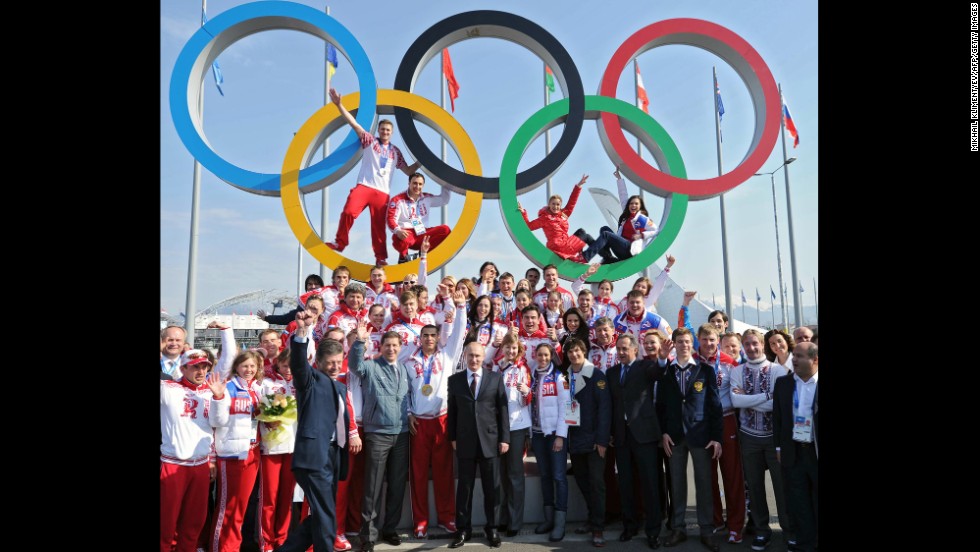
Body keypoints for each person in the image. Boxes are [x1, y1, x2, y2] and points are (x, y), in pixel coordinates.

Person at [276, 309, 354, 552]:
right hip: (312, 457)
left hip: (332, 457)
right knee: (327, 516)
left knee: (321, 515)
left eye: (337, 362)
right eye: (328, 363)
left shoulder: (341, 389)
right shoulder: (310, 381)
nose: (333, 367)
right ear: (318, 363)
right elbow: (298, 364)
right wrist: (301, 332)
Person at [325, 87, 421, 265]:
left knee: (378, 227)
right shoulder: (369, 140)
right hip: (365, 186)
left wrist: (422, 161)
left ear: (391, 133)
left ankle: (381, 258)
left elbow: (408, 171)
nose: (385, 132)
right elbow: (353, 123)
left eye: (388, 130)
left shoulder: (395, 152)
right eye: (382, 129)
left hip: (382, 193)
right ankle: (340, 242)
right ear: (378, 130)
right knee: (348, 212)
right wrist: (339, 105)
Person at [403, 290, 468, 539]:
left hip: (442, 419)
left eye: (433, 335)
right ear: (420, 339)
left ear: (438, 337)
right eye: (426, 336)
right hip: (419, 422)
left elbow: (460, 332)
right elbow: (405, 392)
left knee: (444, 473)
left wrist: (460, 306)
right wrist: (409, 412)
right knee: (418, 474)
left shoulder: (447, 354)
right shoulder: (409, 361)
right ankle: (420, 521)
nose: (430, 339)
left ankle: (447, 518)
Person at [348, 320, 413, 552]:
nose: (392, 349)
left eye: (395, 345)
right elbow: (355, 366)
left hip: (402, 434)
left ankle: (390, 529)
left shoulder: (405, 369)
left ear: (400, 346)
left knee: (396, 485)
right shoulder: (371, 366)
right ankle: (368, 536)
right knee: (372, 487)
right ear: (381, 346)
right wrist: (360, 342)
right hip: (377, 434)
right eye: (388, 345)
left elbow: (409, 398)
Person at [659, 327, 723, 552]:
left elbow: (715, 406)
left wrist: (717, 437)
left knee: (704, 484)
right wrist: (663, 433)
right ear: (674, 344)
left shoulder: (706, 371)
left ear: (692, 344)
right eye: (680, 341)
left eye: (687, 341)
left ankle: (707, 529)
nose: (684, 345)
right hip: (674, 436)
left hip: (701, 435)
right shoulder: (666, 371)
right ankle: (678, 528)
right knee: (676, 484)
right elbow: (662, 406)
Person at [160, 351, 230, 552]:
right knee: (166, 523)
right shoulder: (168, 388)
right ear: (183, 368)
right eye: (195, 367)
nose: (201, 371)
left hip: (200, 465)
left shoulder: (212, 391)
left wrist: (218, 397)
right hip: (173, 464)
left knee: (193, 523)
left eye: (204, 366)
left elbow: (219, 422)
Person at [730, 329, 791, 551]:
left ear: (762, 345)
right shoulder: (737, 371)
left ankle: (789, 530)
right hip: (749, 438)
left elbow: (777, 405)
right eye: (746, 344)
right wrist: (766, 396)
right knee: (754, 487)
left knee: (781, 487)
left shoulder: (777, 370)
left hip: (773, 437)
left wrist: (749, 399)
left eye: (754, 343)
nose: (751, 347)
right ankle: (762, 531)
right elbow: (735, 401)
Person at [447, 341, 511, 549]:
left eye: (477, 356)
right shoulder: (455, 380)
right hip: (464, 442)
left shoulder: (495, 378)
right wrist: (453, 437)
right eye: (471, 355)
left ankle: (492, 528)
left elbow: (502, 411)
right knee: (464, 489)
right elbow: (452, 411)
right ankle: (462, 530)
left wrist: (505, 438)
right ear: (465, 356)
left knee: (492, 488)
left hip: (490, 442)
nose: (474, 359)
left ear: (484, 357)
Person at [607, 333, 667, 549]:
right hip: (622, 437)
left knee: (650, 483)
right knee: (626, 484)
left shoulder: (645, 367)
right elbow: (611, 406)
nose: (621, 352)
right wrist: (611, 432)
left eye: (625, 349)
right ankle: (630, 526)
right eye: (618, 349)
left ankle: (653, 531)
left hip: (644, 435)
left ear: (634, 349)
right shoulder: (612, 373)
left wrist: (662, 358)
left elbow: (660, 371)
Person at [693, 324, 745, 545]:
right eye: (704, 339)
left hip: (726, 420)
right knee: (708, 477)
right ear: (699, 340)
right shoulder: (692, 361)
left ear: (718, 340)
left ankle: (735, 525)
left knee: (732, 475)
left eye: (712, 339)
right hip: (701, 424)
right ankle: (715, 520)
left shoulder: (729, 362)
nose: (708, 344)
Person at [563, 338, 612, 548]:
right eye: (570, 352)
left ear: (584, 352)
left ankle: (598, 527)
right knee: (582, 482)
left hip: (593, 440)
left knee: (596, 484)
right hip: (575, 439)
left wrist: (602, 440)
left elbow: (605, 409)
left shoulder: (597, 375)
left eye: (577, 351)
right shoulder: (564, 376)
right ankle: (592, 519)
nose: (574, 355)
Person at [772, 342, 818, 552]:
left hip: (815, 452)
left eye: (799, 356)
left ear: (815, 360)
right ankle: (805, 543)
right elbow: (778, 418)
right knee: (798, 500)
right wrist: (779, 448)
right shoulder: (783, 383)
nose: (794, 360)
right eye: (794, 356)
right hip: (793, 451)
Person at [491, 333, 532, 538]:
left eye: (514, 348)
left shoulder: (524, 369)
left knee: (515, 475)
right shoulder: (496, 368)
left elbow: (529, 399)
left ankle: (515, 522)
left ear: (519, 350)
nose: (510, 351)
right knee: (500, 475)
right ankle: (502, 519)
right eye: (507, 347)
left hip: (517, 427)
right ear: (503, 349)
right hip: (498, 428)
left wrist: (526, 392)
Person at [529, 343, 571, 542]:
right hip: (537, 435)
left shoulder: (559, 377)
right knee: (545, 476)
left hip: (555, 435)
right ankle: (548, 519)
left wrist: (561, 436)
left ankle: (560, 523)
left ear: (551, 355)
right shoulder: (531, 376)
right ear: (535, 356)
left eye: (546, 355)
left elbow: (568, 407)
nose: (543, 358)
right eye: (540, 355)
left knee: (559, 477)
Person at [519, 175, 613, 264]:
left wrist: (578, 186)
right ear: (549, 205)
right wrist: (523, 212)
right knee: (586, 236)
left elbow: (571, 202)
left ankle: (604, 256)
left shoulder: (563, 214)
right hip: (559, 246)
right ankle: (597, 257)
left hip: (565, 243)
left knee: (581, 232)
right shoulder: (545, 218)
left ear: (560, 206)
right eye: (553, 204)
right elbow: (529, 226)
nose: (555, 206)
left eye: (558, 204)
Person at [258, 348, 298, 552]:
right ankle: (266, 541)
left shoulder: (302, 383)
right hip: (272, 448)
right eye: (285, 366)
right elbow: (263, 413)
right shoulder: (268, 383)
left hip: (294, 449)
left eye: (292, 366)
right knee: (270, 498)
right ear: (278, 364)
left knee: (286, 498)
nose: (289, 370)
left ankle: (282, 539)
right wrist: (269, 418)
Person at [595, 167, 660, 263]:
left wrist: (642, 235)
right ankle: (608, 257)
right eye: (631, 204)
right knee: (604, 229)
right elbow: (623, 196)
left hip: (630, 250)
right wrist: (619, 179)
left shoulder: (642, 219)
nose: (633, 206)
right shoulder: (627, 216)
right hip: (622, 249)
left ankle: (598, 256)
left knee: (606, 234)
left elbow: (655, 230)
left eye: (636, 204)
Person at [386, 172, 451, 264]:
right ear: (409, 183)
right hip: (407, 234)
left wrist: (447, 184)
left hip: (423, 234)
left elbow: (444, 200)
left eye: (420, 184)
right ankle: (404, 258)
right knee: (397, 238)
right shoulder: (398, 200)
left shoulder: (426, 197)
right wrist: (398, 230)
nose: (417, 186)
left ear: (423, 185)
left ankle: (423, 254)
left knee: (445, 230)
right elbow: (390, 219)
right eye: (414, 183)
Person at [613, 290, 672, 358]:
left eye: (638, 302)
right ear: (627, 303)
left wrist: (665, 360)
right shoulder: (617, 321)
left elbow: (670, 340)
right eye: (632, 302)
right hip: (628, 363)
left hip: (652, 363)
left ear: (643, 303)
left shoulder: (656, 320)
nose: (634, 305)